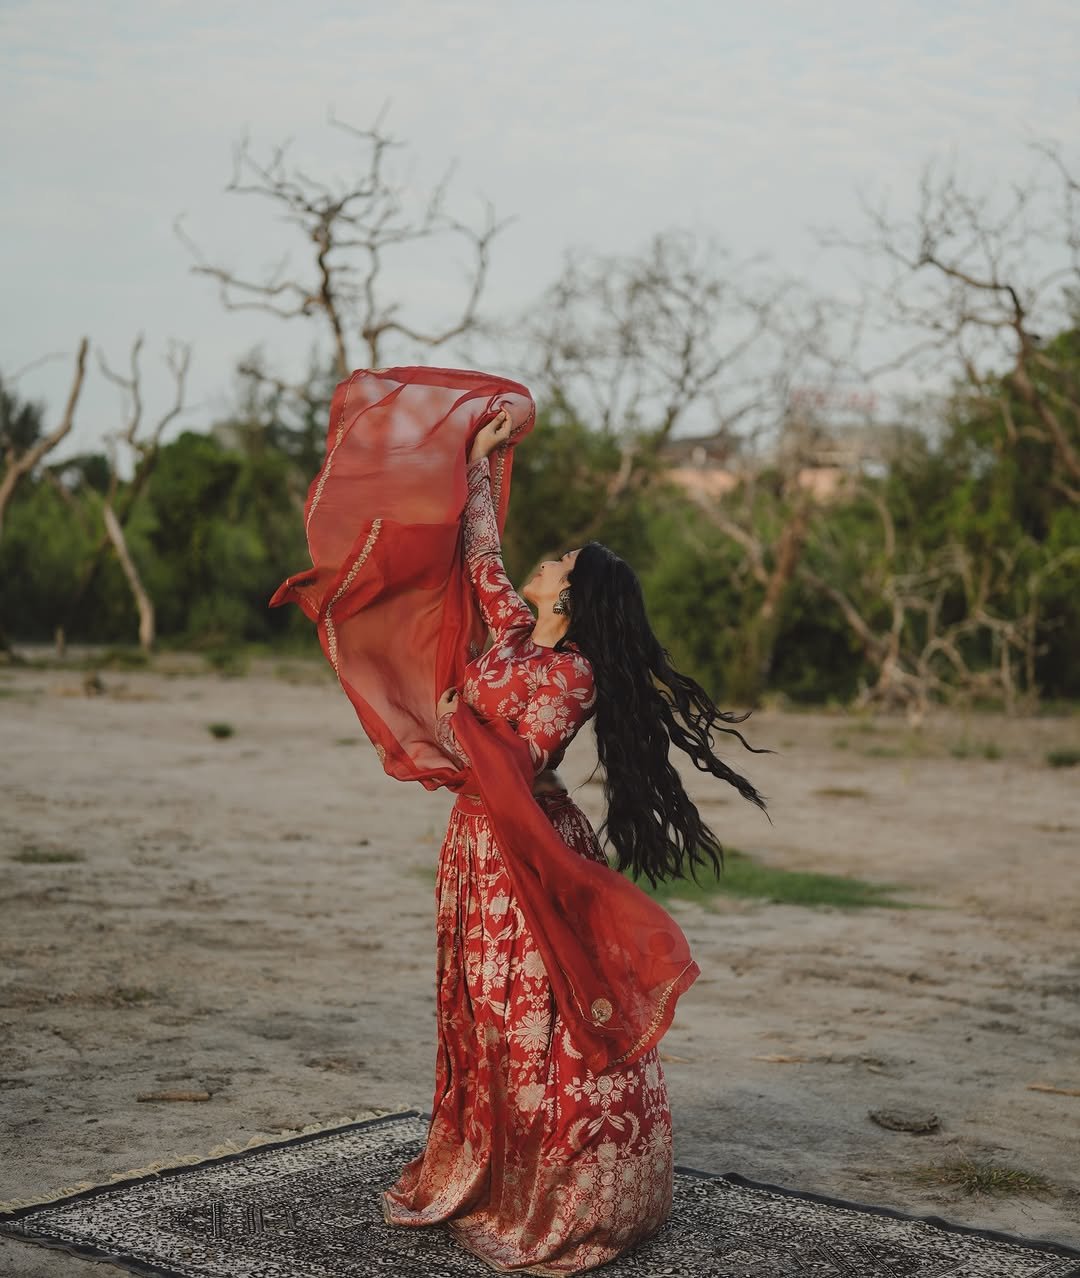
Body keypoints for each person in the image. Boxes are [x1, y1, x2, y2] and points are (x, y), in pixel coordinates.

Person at [380, 407, 770, 1274]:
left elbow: (516, 761)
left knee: (539, 1013)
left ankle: (565, 1188)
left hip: (529, 850)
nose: (544, 559)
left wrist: (455, 724)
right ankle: (487, 1160)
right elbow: (479, 554)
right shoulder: (516, 636)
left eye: (559, 560)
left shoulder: (572, 672)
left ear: (569, 593)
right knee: (479, 1006)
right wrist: (480, 463)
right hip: (476, 849)